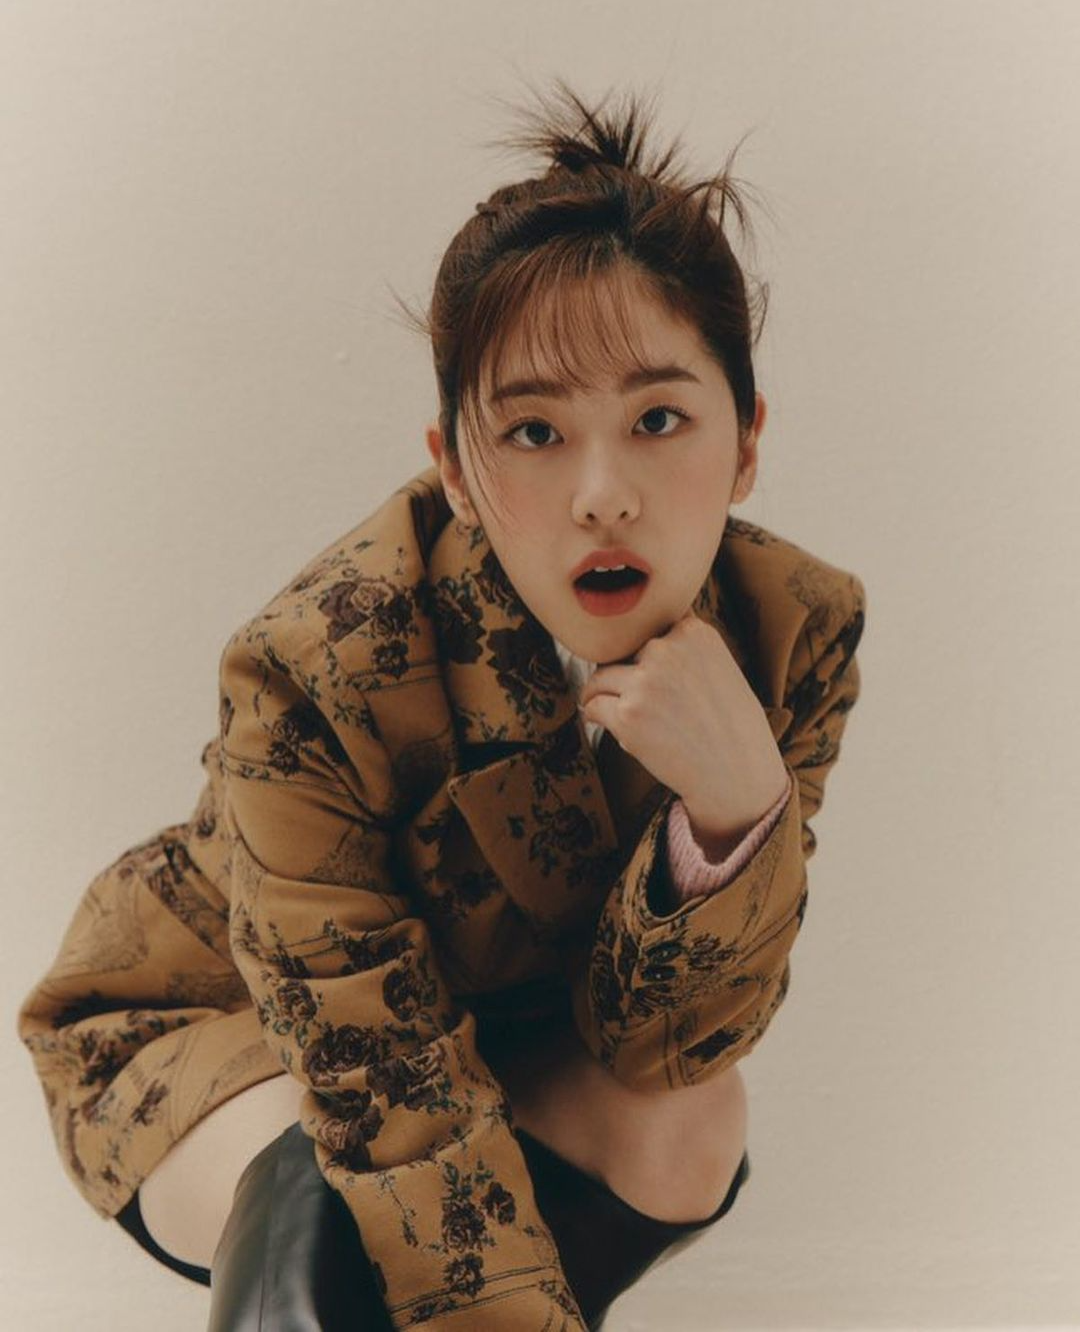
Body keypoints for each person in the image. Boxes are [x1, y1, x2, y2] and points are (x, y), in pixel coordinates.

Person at [17, 77, 866, 1330]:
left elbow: (668, 1049)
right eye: (532, 433)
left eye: (659, 418)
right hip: (236, 1027)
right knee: (329, 1202)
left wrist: (738, 811)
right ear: (455, 471)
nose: (602, 493)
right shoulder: (317, 663)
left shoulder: (793, 630)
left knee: (691, 1124)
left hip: (501, 1037)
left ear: (745, 442)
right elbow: (378, 1082)